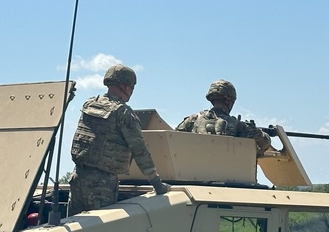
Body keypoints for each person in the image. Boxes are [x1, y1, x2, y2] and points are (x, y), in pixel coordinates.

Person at [68, 64, 170, 215]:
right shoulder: (123, 113)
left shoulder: (90, 104)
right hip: (102, 184)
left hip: (77, 177)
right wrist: (156, 183)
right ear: (125, 86)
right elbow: (139, 150)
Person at [176, 79, 272, 156]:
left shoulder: (193, 119)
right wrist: (258, 131)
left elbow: (173, 139)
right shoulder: (238, 126)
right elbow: (265, 142)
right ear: (228, 101)